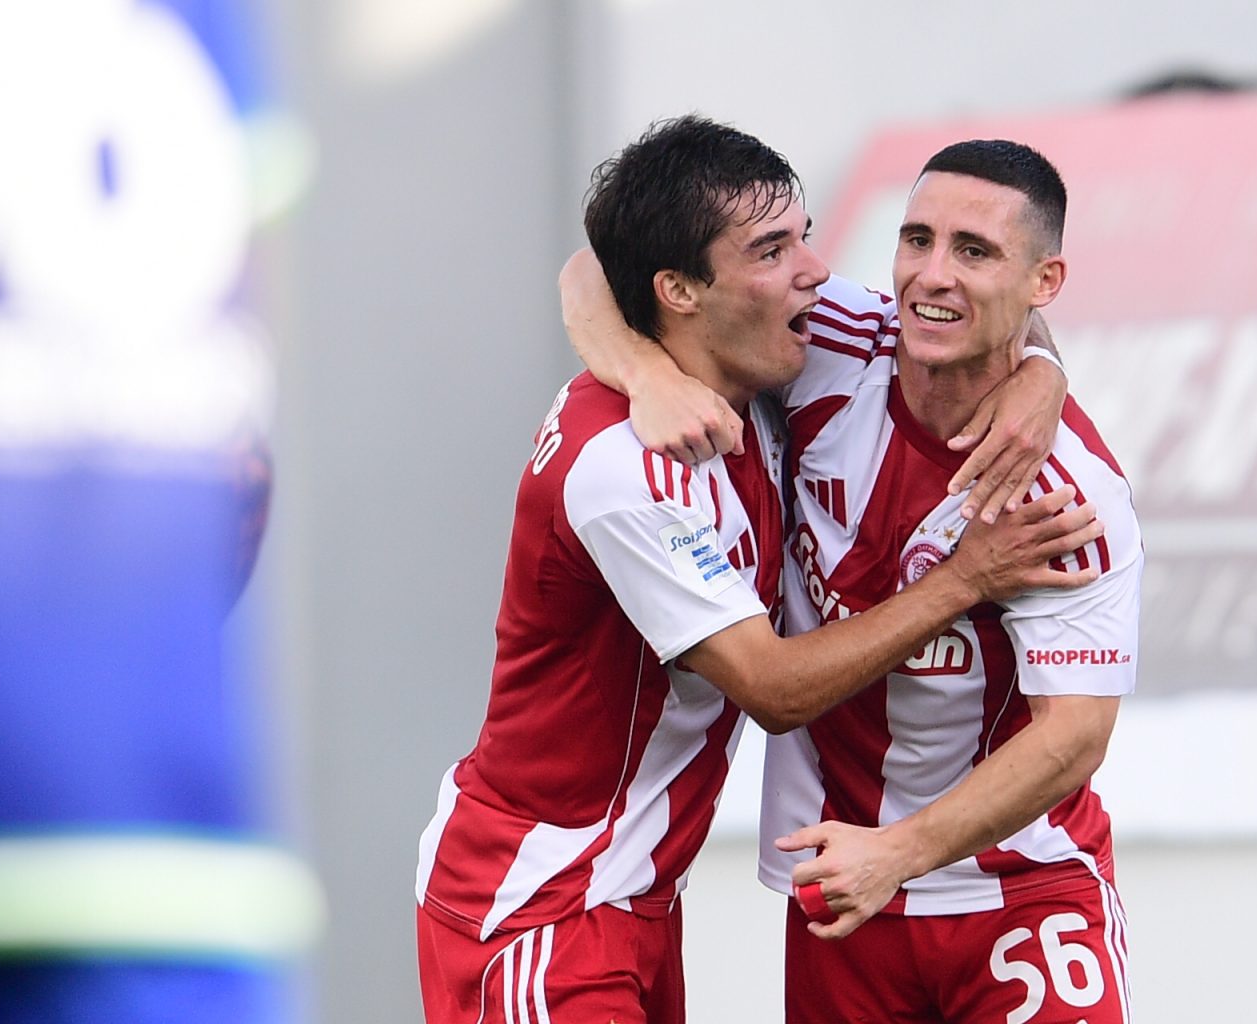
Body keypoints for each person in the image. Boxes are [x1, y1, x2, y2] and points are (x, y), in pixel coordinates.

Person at [415, 117, 1102, 1024]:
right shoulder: (629, 469)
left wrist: (1041, 370)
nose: (815, 270)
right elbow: (774, 690)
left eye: (804, 236)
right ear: (679, 291)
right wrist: (967, 578)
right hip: (539, 900)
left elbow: (982, 305)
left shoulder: (765, 373)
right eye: (774, 250)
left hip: (635, 897)